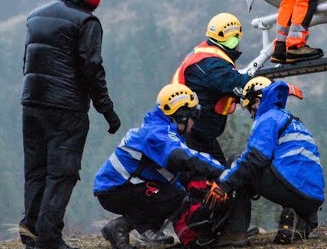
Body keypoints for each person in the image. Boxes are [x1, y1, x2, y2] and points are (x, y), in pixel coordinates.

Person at [20, 0, 122, 249]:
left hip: (31, 103)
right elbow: (92, 69)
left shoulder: (35, 17)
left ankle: (31, 235)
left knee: (36, 171)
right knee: (62, 173)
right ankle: (49, 239)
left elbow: (27, 62)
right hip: (65, 109)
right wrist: (107, 111)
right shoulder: (87, 22)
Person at [94, 83, 227, 249]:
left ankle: (148, 230)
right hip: (115, 190)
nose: (195, 121)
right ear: (183, 116)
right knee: (174, 196)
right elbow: (184, 158)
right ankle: (120, 227)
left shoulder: (161, 127)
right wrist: (223, 172)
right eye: (194, 115)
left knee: (175, 191)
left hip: (125, 186)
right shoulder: (158, 134)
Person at [203, 77, 323, 245]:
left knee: (236, 163)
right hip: (312, 197)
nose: (251, 114)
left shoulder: (268, 118)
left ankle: (234, 233)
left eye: (250, 108)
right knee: (275, 167)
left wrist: (224, 184)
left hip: (290, 186)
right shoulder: (292, 120)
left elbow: (255, 159)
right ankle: (301, 222)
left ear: (258, 101)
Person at [171, 12, 253, 166]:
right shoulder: (212, 64)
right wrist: (268, 83)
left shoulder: (205, 55)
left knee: (221, 173)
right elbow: (237, 84)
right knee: (214, 176)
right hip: (192, 134)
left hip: (198, 134)